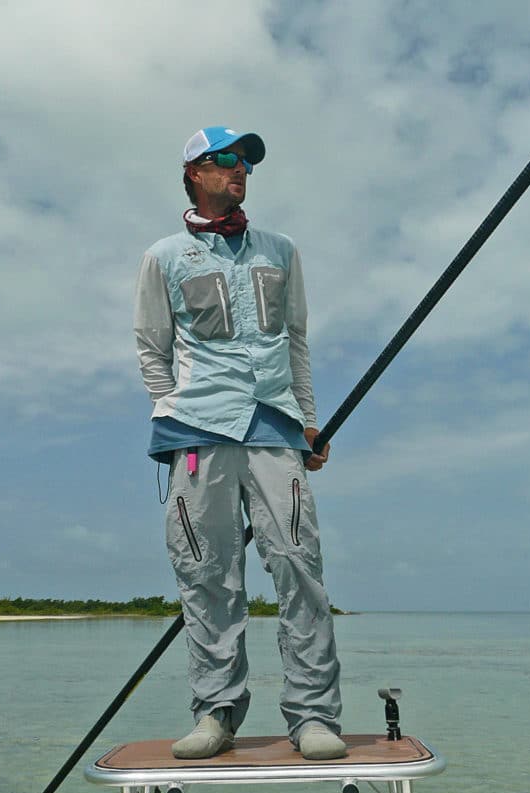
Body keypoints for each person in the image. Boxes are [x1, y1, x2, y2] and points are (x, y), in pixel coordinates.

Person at [134, 125, 346, 761]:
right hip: (196, 429)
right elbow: (152, 347)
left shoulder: (281, 251)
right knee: (207, 574)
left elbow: (297, 342)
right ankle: (217, 712)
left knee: (298, 565)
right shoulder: (164, 256)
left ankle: (311, 714)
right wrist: (169, 408)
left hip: (275, 426)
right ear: (195, 172)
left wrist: (309, 421)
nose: (239, 169)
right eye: (224, 160)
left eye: (245, 161)